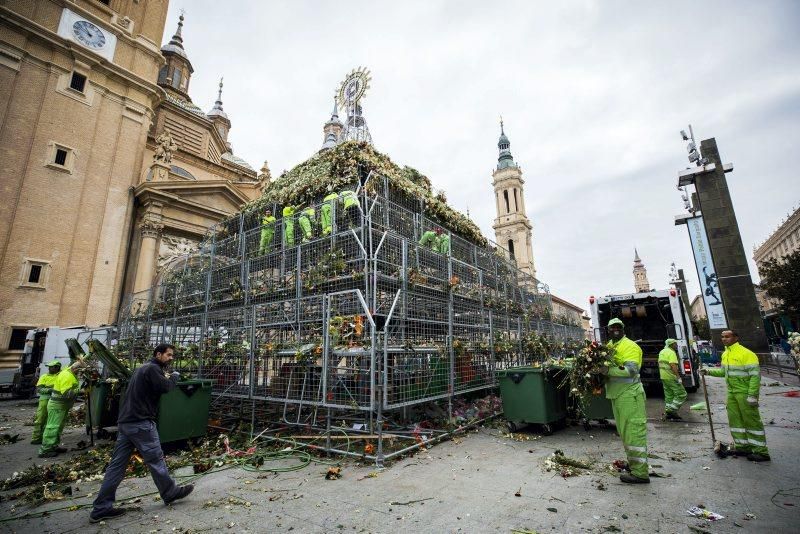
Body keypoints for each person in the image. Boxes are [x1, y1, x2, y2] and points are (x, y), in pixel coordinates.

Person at [90, 344, 194, 523]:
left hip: (126, 423)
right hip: (141, 423)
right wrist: (175, 377)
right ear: (158, 354)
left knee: (116, 466)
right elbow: (166, 387)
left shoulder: (143, 369)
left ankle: (101, 507)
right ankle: (170, 492)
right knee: (156, 459)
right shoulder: (153, 369)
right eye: (168, 355)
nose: (171, 358)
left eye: (172, 355)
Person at [701, 330, 770, 461]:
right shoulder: (726, 353)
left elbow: (755, 376)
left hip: (744, 393)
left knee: (751, 421)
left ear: (736, 338)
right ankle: (743, 446)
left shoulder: (746, 354)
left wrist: (753, 395)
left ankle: (761, 451)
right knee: (735, 420)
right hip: (732, 393)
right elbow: (723, 372)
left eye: (727, 336)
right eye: (722, 337)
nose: (724, 339)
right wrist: (708, 371)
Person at [603, 318, 650, 483]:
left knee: (633, 432)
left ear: (623, 329)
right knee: (625, 433)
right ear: (608, 330)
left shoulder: (629, 345)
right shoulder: (610, 346)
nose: (615, 329)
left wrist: (606, 370)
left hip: (630, 395)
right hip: (618, 395)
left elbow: (631, 370)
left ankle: (640, 474)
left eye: (618, 327)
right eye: (612, 327)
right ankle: (634, 465)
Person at [38, 357, 82, 457]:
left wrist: (85, 357)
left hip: (61, 406)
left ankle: (53, 445)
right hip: (57, 406)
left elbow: (77, 363)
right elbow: (67, 393)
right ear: (75, 370)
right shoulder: (67, 376)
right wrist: (80, 390)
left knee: (58, 427)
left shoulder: (68, 370)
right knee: (52, 427)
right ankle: (45, 450)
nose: (80, 375)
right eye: (79, 372)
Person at [31, 360, 61, 444]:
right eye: (49, 367)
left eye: (51, 367)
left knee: (50, 421)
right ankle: (36, 438)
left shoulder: (60, 375)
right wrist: (50, 389)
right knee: (40, 419)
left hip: (56, 400)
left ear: (57, 367)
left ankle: (45, 438)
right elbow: (39, 389)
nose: (49, 368)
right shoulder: (44, 376)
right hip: (44, 399)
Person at [658, 339, 687, 420]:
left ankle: (669, 413)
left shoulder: (662, 351)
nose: (676, 345)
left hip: (663, 376)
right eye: (675, 344)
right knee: (682, 394)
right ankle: (671, 411)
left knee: (669, 395)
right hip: (671, 376)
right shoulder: (671, 352)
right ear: (671, 344)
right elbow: (673, 365)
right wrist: (678, 377)